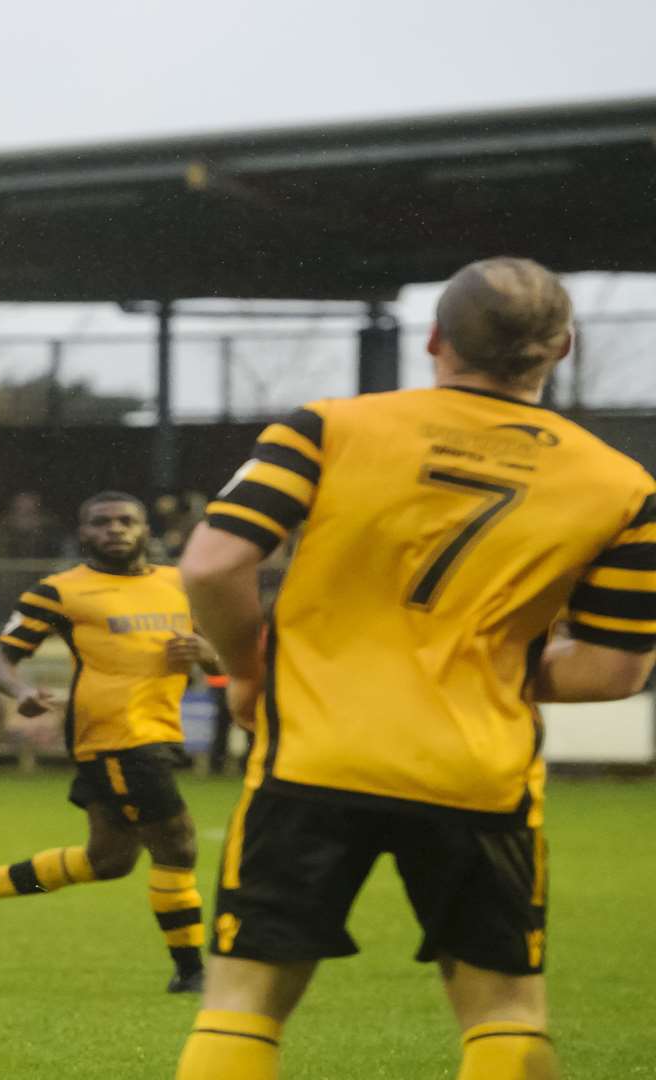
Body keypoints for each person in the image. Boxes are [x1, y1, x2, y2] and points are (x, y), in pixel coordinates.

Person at [171, 257, 656, 1080]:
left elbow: (211, 566)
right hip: (476, 771)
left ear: (436, 338)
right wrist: (481, 663)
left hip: (316, 755)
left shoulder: (326, 428)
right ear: (561, 348)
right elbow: (614, 672)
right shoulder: (623, 487)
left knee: (243, 1004)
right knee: (505, 1014)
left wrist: (252, 669)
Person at [0, 492, 219, 993]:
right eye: (101, 523)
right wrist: (21, 693)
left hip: (159, 731)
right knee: (178, 842)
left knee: (109, 860)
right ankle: (191, 972)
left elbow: (219, 662)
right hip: (113, 737)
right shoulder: (59, 591)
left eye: (127, 520)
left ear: (146, 529)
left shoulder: (180, 585)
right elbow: (1, 662)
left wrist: (210, 655)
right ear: (83, 533)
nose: (115, 530)